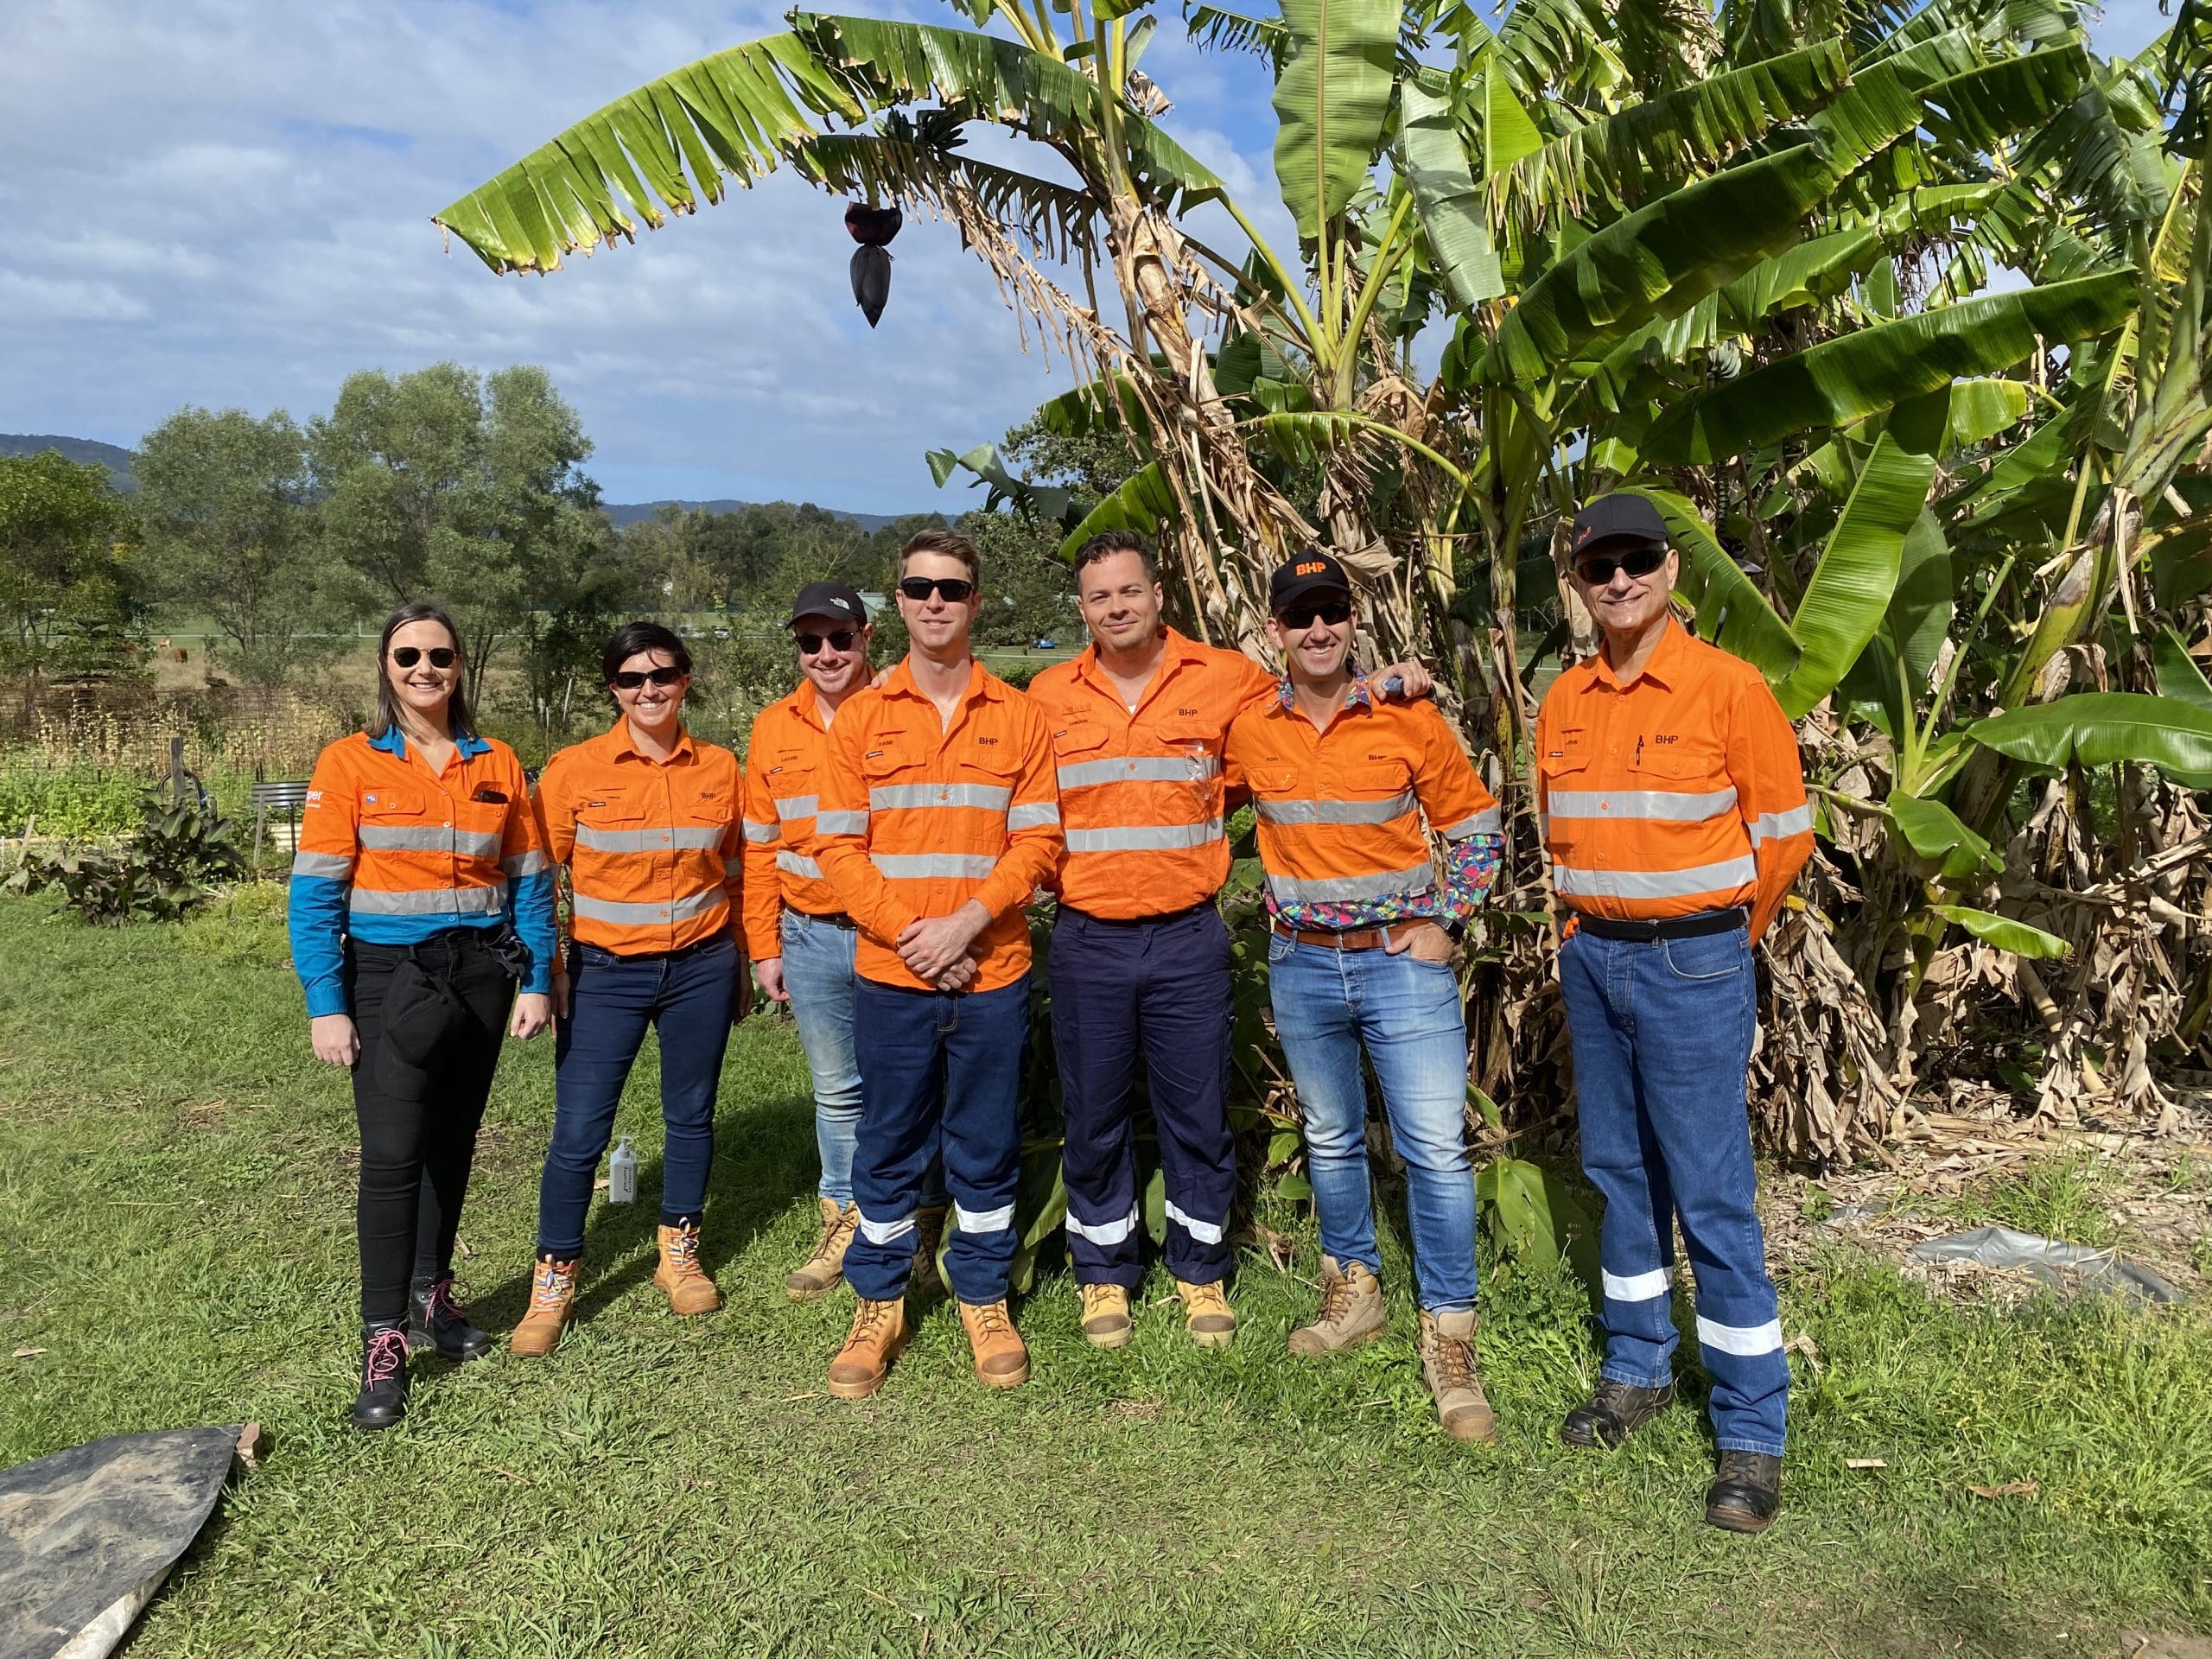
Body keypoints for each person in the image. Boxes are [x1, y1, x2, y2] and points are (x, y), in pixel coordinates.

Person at [1025, 531, 1431, 1351]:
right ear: (1082, 609)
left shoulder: (1225, 679)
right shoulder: (1046, 695)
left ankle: (1200, 1270)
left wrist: (1377, 683)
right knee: (1094, 1112)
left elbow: (1303, 704)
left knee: (1196, 1111)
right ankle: (1104, 1278)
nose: (1117, 608)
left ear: (1158, 595)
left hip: (1186, 938)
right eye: (1100, 597)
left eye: (1130, 591)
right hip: (1088, 938)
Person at [1538, 493, 1814, 1532]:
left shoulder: (1727, 689)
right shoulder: (1562, 699)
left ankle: (1751, 1432)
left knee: (1709, 1193)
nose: (1618, 581)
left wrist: (1717, 943)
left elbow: (1782, 836)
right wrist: (1583, 935)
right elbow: (1560, 838)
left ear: (1670, 570)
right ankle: (1637, 1370)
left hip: (1693, 962)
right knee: (1619, 1177)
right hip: (1594, 961)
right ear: (1577, 580)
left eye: (1636, 560)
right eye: (1597, 566)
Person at [1223, 553, 1503, 1443]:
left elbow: (1475, 827)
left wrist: (1448, 920)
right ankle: (1354, 1294)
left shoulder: (1404, 716)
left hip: (1398, 963)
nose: (1317, 630)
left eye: (1331, 612)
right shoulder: (1249, 728)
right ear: (1275, 629)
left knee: (1432, 1147)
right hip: (1302, 963)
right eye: (1299, 616)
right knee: (1332, 1137)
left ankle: (1449, 1332)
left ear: (1353, 619)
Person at [807, 528, 1062, 1398]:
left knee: (984, 1143)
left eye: (951, 589)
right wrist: (916, 934)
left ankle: (982, 1293)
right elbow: (837, 851)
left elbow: (1038, 844)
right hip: (892, 973)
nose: (934, 603)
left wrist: (965, 924)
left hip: (992, 970)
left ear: (974, 602)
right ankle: (878, 1301)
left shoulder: (1020, 714)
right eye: (918, 589)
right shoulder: (863, 718)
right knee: (888, 1142)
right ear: (899, 602)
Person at [289, 602, 556, 1430]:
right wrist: (327, 1006)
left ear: (461, 665)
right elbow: (314, 894)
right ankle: (383, 1339)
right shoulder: (350, 763)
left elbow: (534, 882)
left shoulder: (498, 761)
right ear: (385, 664)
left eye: (440, 656)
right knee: (393, 1156)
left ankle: (433, 1299)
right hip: (388, 979)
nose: (424, 670)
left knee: (452, 1144)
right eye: (408, 656)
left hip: (480, 975)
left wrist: (539, 980)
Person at [509, 623, 750, 1357]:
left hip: (701, 968)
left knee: (691, 1116)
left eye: (663, 676)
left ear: (685, 681)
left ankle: (678, 1253)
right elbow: (536, 880)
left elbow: (737, 872)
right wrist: (543, 974)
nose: (649, 691)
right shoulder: (574, 770)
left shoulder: (720, 767)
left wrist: (739, 959)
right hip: (603, 974)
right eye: (631, 679)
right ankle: (553, 1276)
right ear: (612, 689)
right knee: (579, 1131)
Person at [741, 582, 948, 1301]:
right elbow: (761, 845)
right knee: (837, 1091)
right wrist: (764, 945)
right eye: (809, 641)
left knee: (913, 1084)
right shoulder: (773, 730)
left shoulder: (904, 710)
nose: (825, 653)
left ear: (866, 638)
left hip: (893, 934)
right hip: (812, 935)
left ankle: (917, 1222)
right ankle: (843, 1218)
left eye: (839, 638)